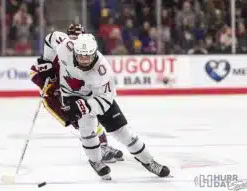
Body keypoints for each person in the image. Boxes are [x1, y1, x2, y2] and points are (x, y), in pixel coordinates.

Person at [53, 33, 170, 180]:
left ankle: (149, 161)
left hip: (99, 99)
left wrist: (84, 107)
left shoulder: (103, 71)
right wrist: (46, 63)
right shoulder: (65, 47)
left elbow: (105, 101)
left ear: (95, 53)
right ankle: (95, 161)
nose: (83, 60)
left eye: (87, 56)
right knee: (87, 131)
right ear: (74, 52)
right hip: (72, 95)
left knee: (124, 133)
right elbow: (51, 38)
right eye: (80, 56)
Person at [30, 24, 123, 163]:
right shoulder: (63, 46)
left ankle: (103, 146)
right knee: (80, 121)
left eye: (78, 37)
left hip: (74, 92)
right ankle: (99, 149)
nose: (74, 41)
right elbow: (34, 72)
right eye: (72, 37)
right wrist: (46, 67)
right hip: (55, 97)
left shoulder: (85, 53)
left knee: (91, 116)